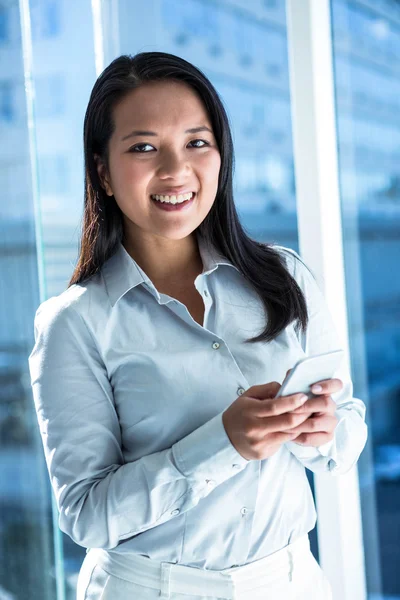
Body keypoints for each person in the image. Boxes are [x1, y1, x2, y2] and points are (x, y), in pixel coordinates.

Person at [28, 52, 368, 600]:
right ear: (103, 173)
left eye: (196, 142)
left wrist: (322, 431)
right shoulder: (75, 324)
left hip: (292, 582)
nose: (175, 170)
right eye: (143, 147)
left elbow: (347, 432)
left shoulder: (285, 279)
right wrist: (223, 443)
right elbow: (87, 514)